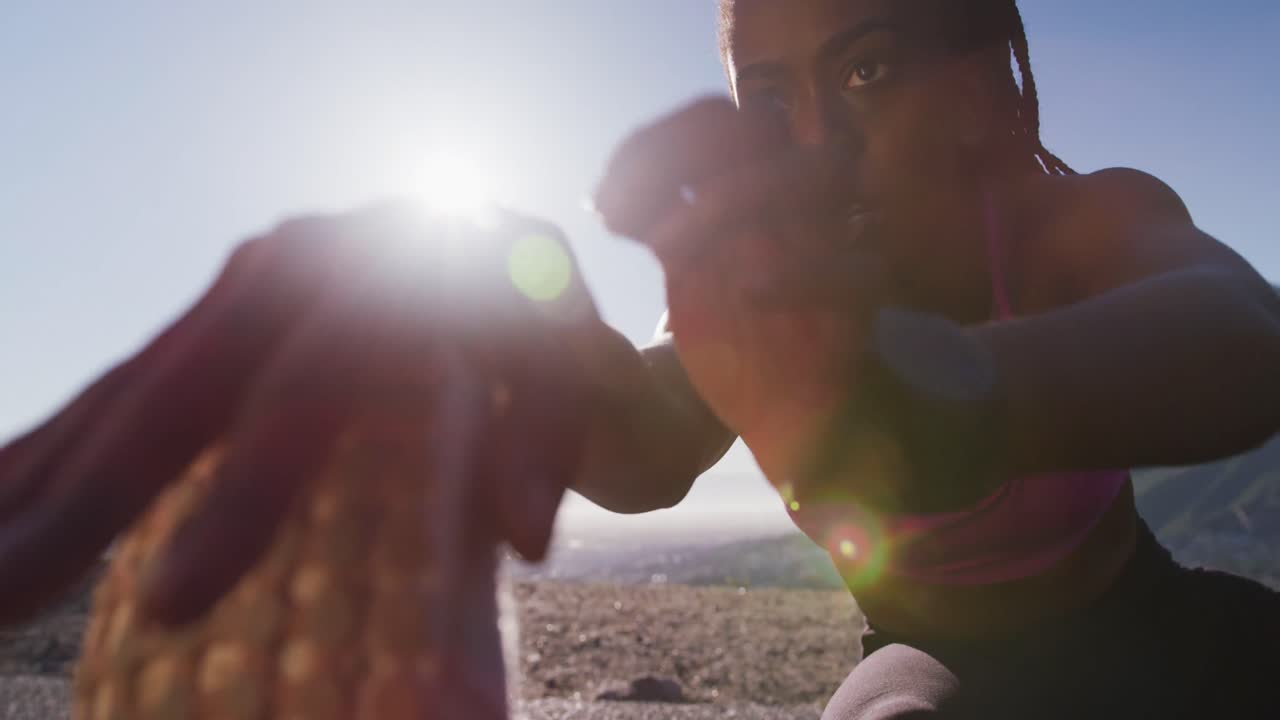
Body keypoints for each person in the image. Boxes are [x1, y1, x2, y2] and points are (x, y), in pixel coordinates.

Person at [0, 0, 1277, 716]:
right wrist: (481, 300)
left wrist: (949, 388)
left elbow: (1237, 333)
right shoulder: (760, 299)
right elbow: (638, 448)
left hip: (1159, 622)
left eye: (869, 67)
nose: (814, 139)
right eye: (768, 97)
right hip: (933, 661)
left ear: (984, 72)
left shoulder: (1074, 220)